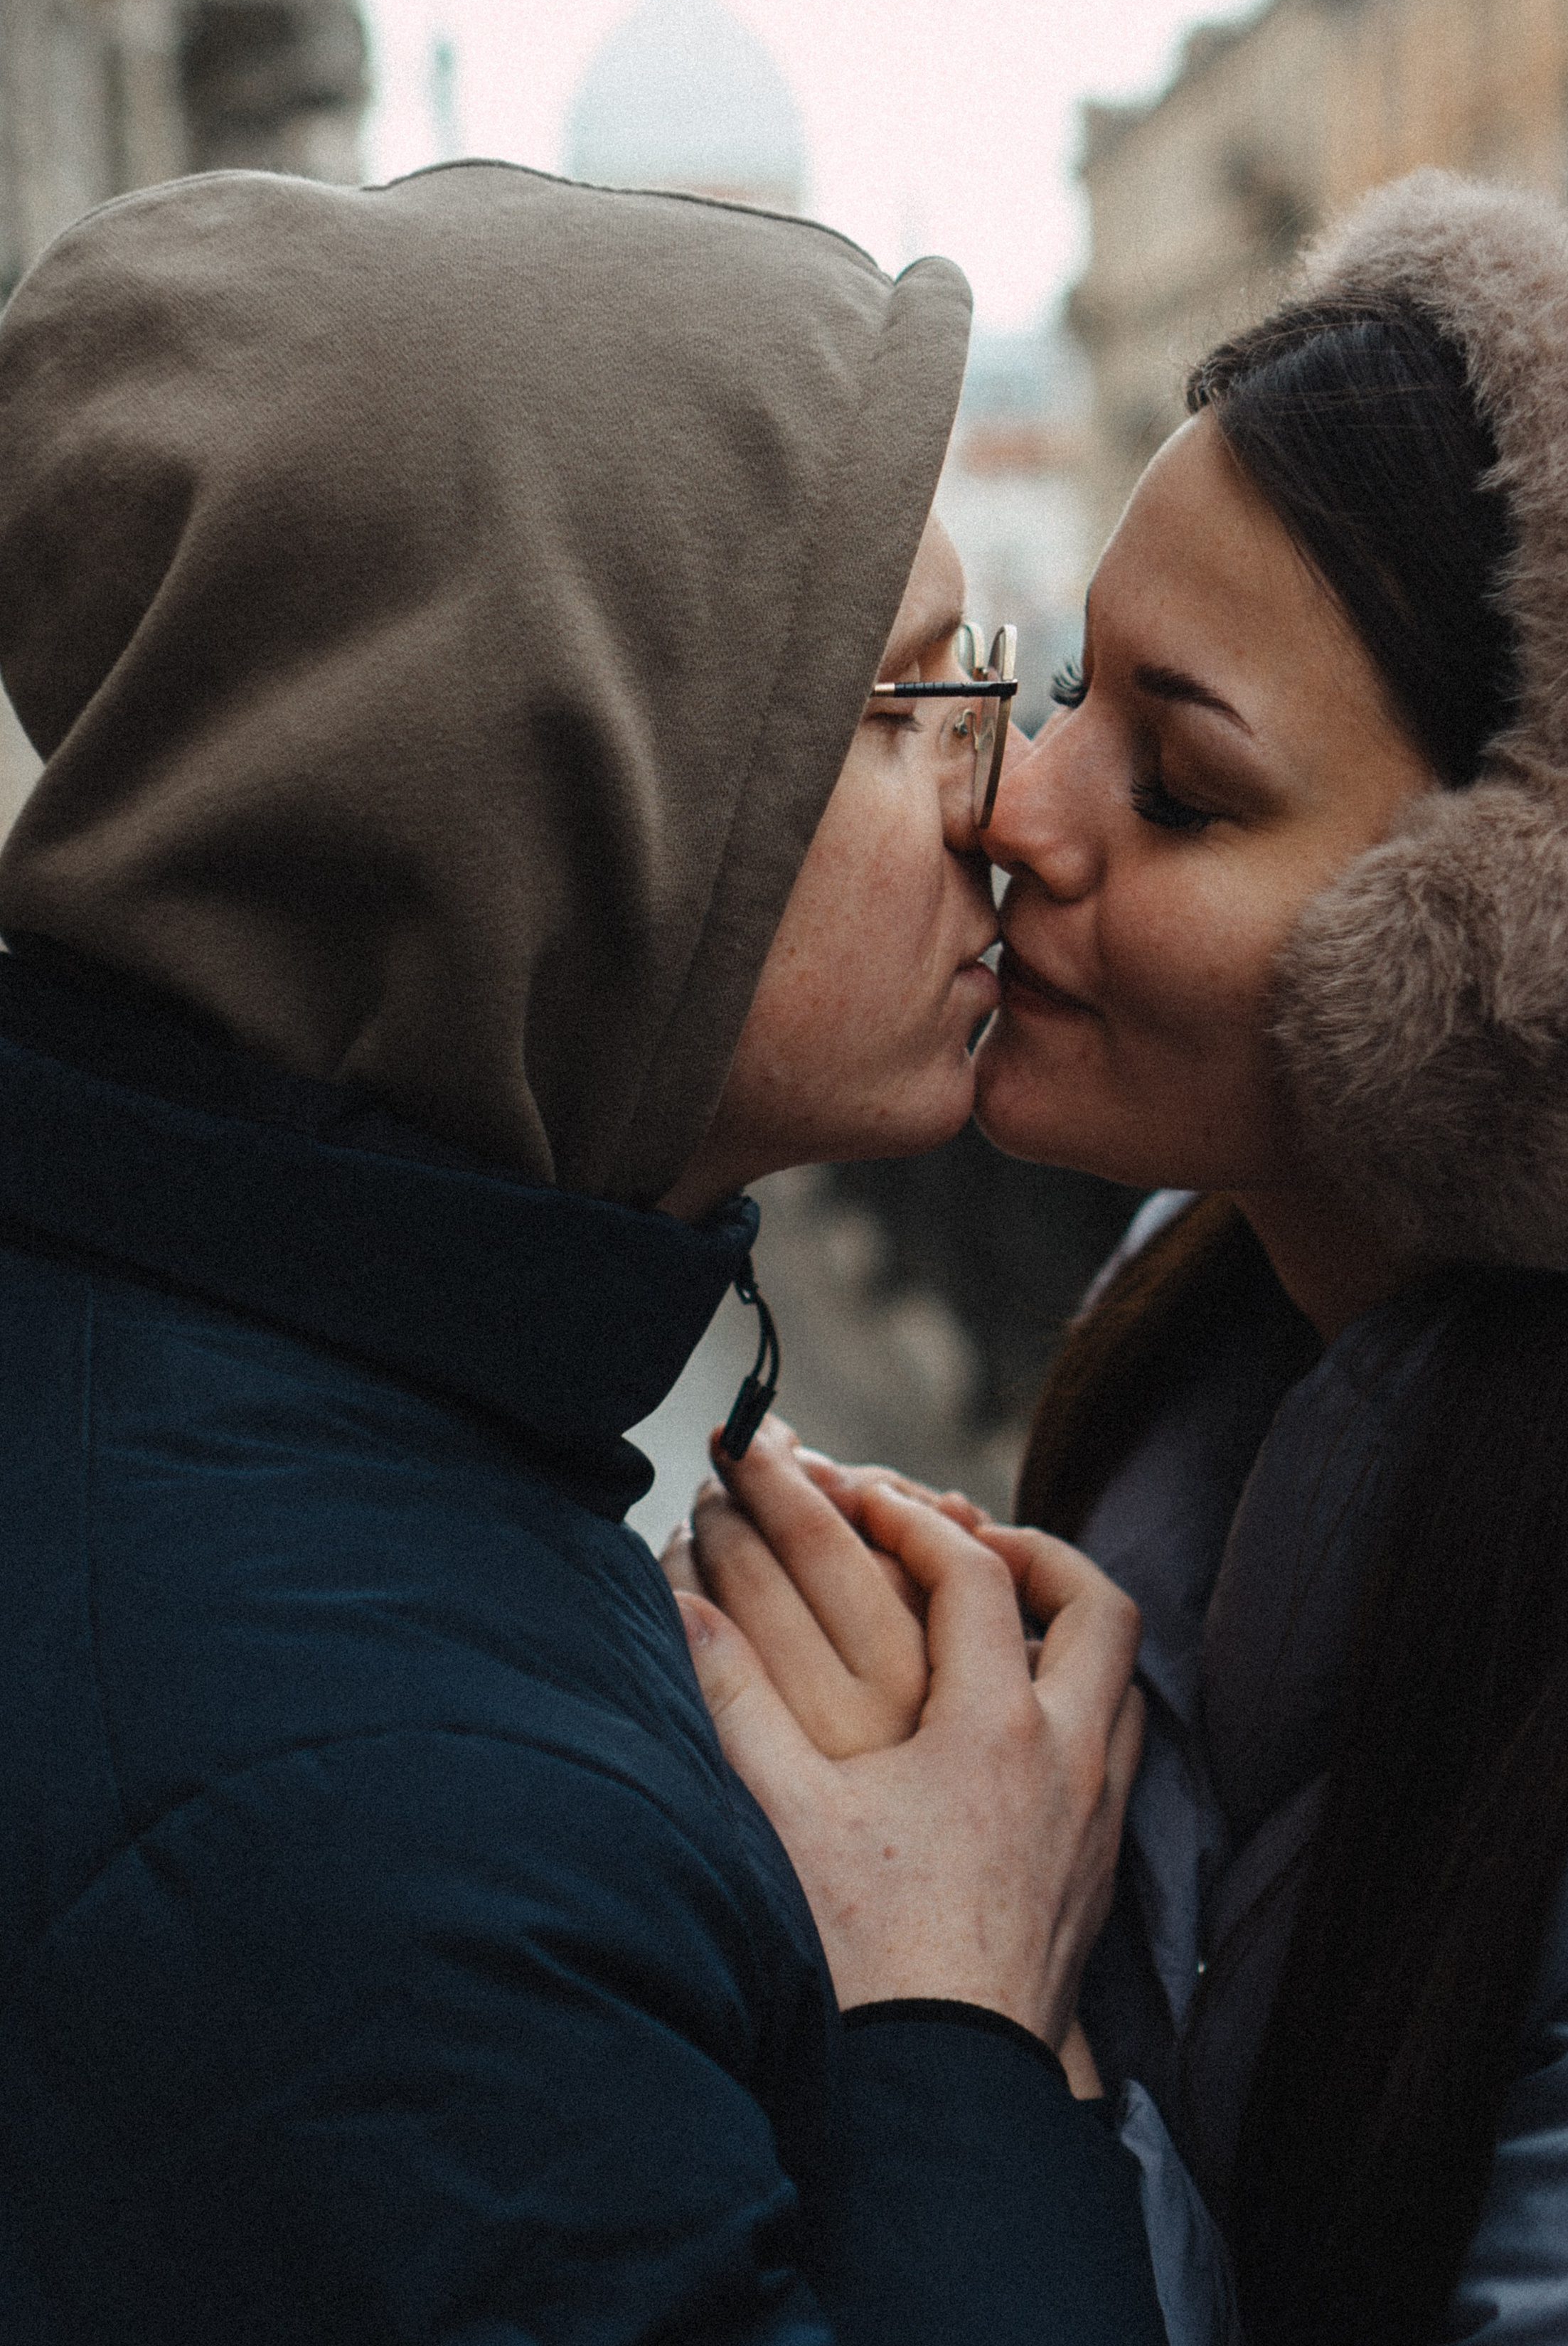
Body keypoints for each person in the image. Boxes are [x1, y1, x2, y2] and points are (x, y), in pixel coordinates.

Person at [0, 161, 1170, 2345]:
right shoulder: (368, 1827)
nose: (1001, 804)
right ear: (567, 797)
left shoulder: (268, 1387)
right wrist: (952, 2008)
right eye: (914, 698)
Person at [678, 171, 1568, 2342]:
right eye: (1073, 690)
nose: (1015, 807)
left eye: (1182, 786)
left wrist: (967, 2014)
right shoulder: (1196, 1346)